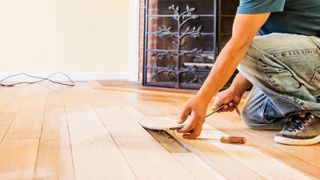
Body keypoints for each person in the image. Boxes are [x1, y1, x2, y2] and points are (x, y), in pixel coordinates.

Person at [178, 0, 320, 146]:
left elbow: (242, 45)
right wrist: (235, 89)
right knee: (255, 115)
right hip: (307, 57)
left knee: (245, 47)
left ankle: (312, 113)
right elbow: (266, 52)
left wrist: (202, 98)